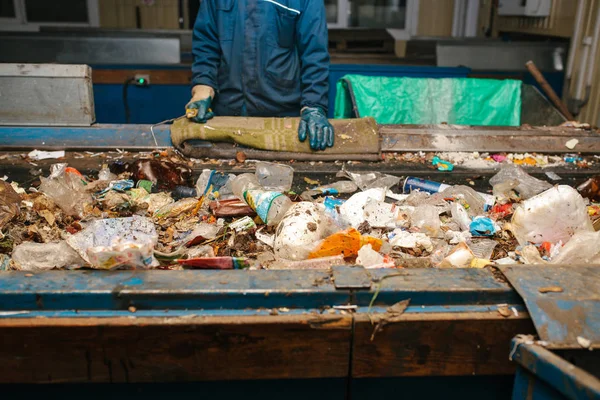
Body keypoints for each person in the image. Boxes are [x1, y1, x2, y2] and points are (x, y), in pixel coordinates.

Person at [186, 0, 334, 151]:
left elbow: (314, 53)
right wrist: (203, 88)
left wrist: (313, 106)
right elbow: (206, 46)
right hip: (227, 115)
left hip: (282, 117)